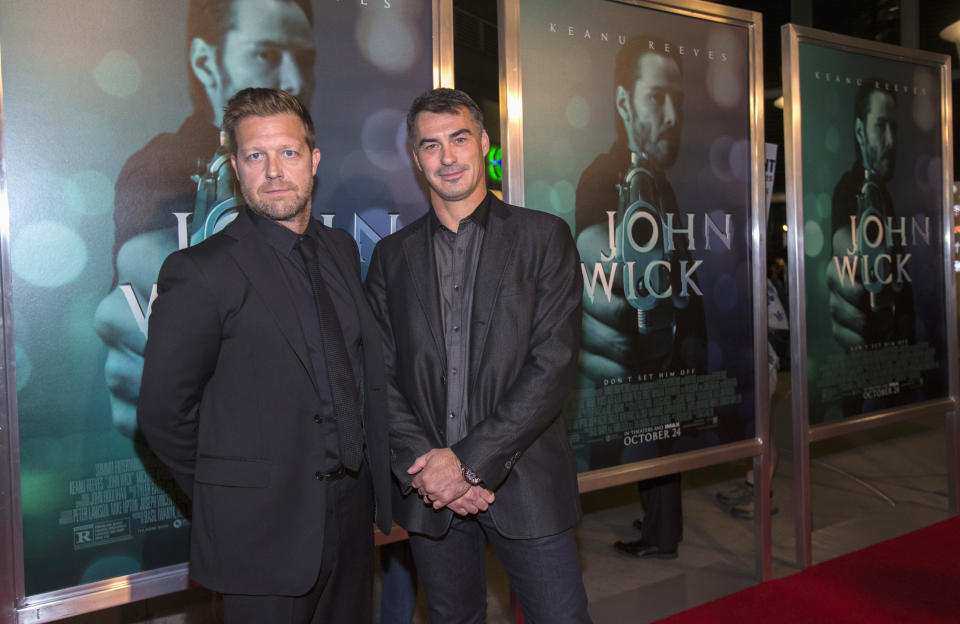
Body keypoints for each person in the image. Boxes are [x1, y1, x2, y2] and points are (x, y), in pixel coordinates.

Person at [138, 88, 391, 624]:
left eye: (289, 153)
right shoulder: (201, 271)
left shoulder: (340, 249)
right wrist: (230, 489)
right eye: (256, 156)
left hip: (351, 519)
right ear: (235, 167)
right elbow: (163, 415)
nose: (274, 171)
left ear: (314, 161)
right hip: (260, 530)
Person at [365, 88, 591, 623]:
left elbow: (553, 365)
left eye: (459, 139)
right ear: (415, 158)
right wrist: (430, 468)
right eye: (430, 145)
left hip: (527, 482)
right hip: (430, 492)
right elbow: (377, 371)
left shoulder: (543, 237)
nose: (447, 157)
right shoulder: (391, 257)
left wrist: (466, 464)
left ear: (485, 144)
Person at [95, 0, 315, 438]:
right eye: (265, 54)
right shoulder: (159, 170)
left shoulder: (322, 199)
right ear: (205, 61)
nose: (292, 81)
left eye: (305, 60)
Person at [575, 37, 707, 560]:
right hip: (639, 363)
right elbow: (600, 255)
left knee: (659, 445)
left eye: (678, 99)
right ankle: (660, 528)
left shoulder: (656, 183)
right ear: (625, 104)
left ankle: (660, 532)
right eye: (658, 98)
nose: (673, 115)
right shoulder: (607, 178)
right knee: (652, 443)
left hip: (659, 360)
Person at [827, 79, 912, 355]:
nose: (891, 140)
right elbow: (845, 244)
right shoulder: (849, 190)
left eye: (894, 127)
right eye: (880, 126)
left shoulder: (882, 193)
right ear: (860, 131)